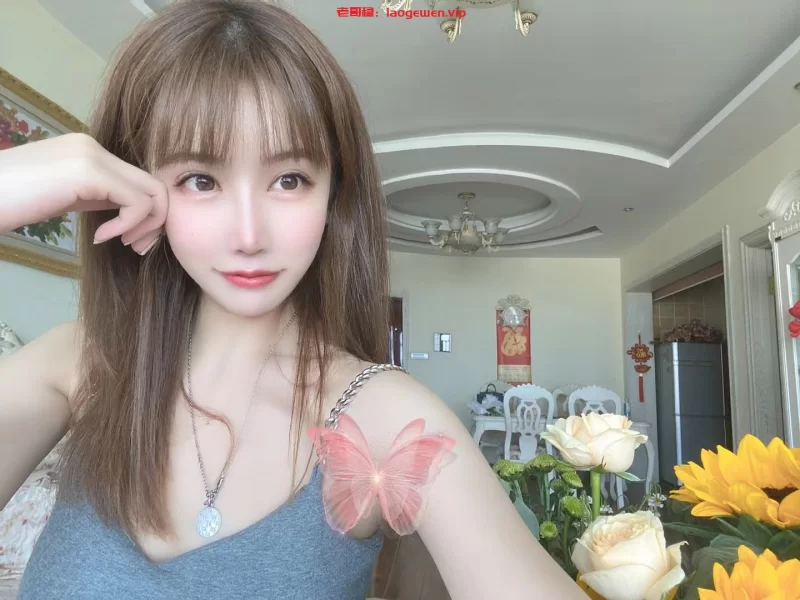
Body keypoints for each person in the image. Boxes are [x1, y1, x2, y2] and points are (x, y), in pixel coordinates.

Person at [0, 1, 584, 598]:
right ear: (141, 184)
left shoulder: (383, 416)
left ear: (334, 195)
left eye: (289, 180)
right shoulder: (79, 365)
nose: (249, 236)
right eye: (200, 180)